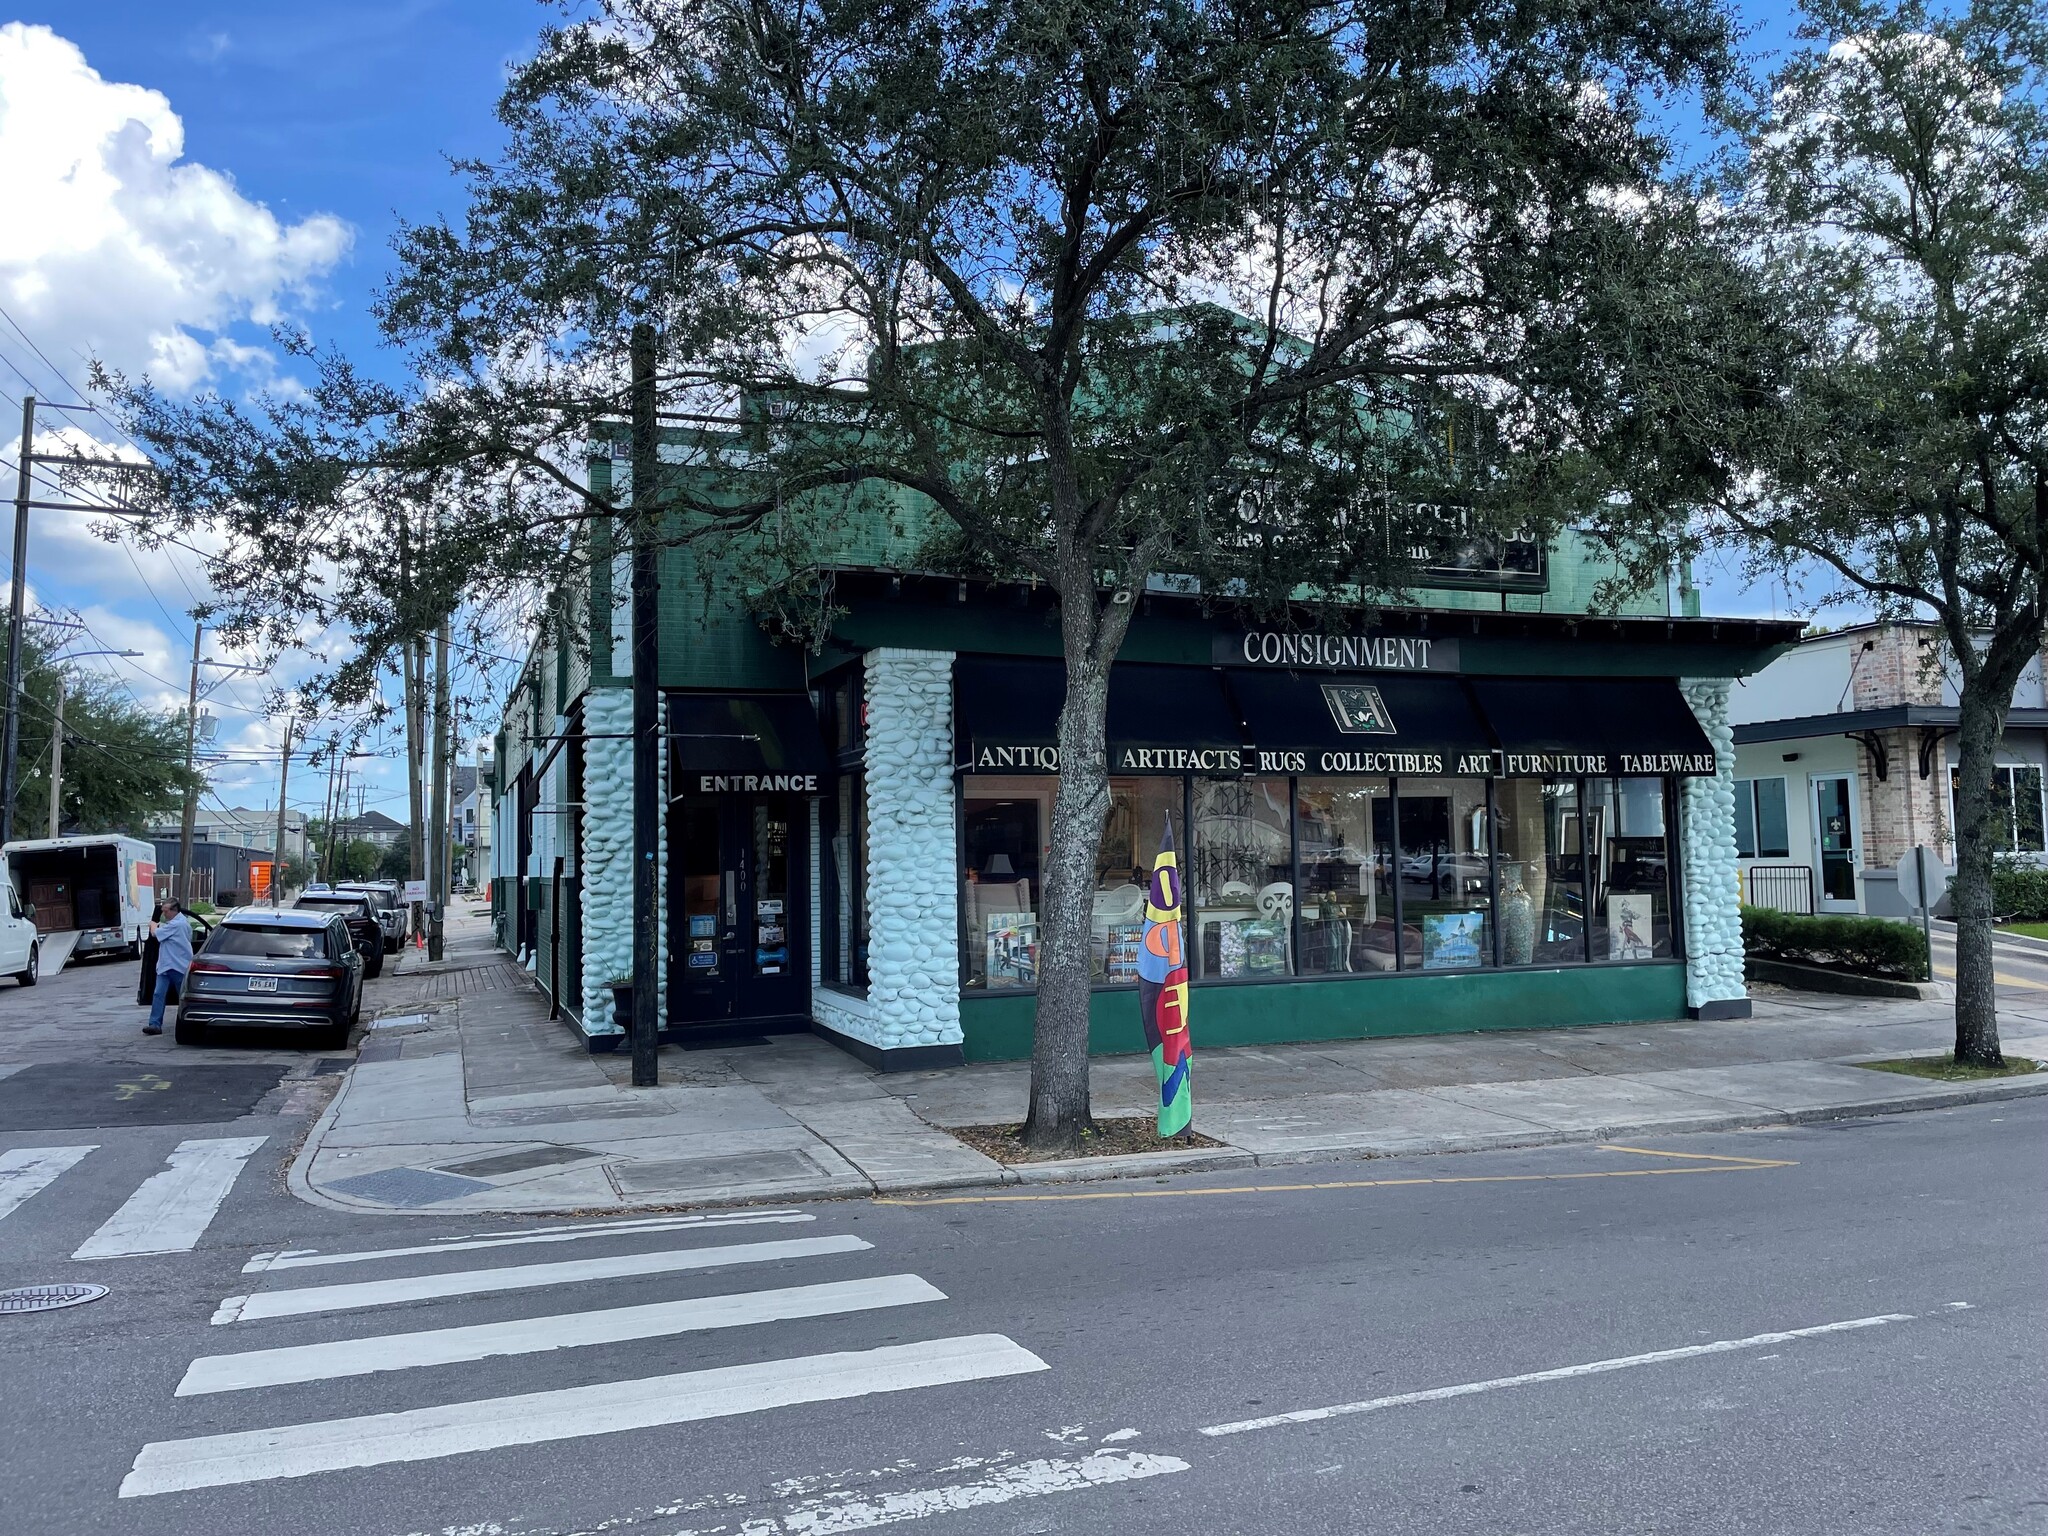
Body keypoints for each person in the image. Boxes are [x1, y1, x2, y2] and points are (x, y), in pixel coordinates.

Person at [145, 899, 194, 1036]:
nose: (163, 914)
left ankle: (188, 1022)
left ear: (174, 910)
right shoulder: (181, 923)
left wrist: (153, 924)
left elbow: (155, 933)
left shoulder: (177, 925)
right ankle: (154, 1024)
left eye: (165, 911)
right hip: (166, 966)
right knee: (158, 994)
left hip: (177, 966)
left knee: (182, 997)